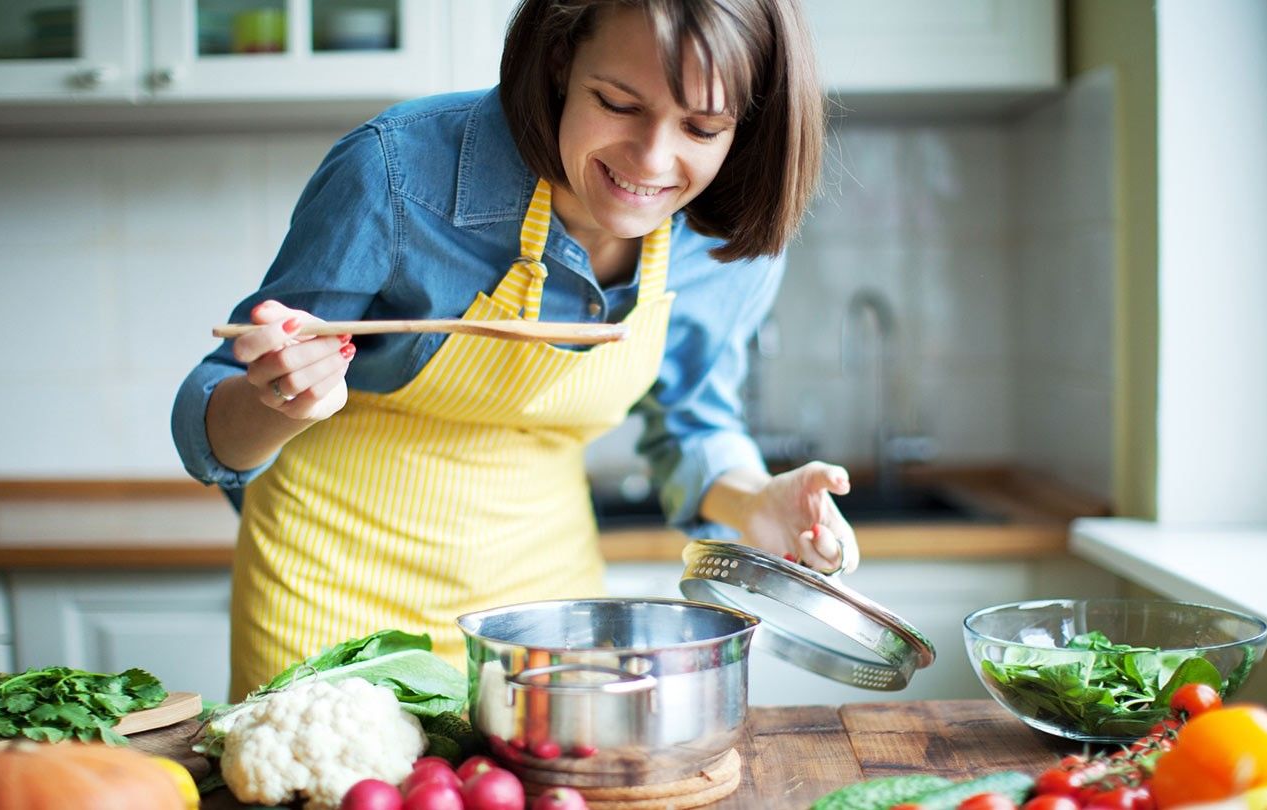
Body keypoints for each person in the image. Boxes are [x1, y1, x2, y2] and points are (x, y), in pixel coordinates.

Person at [172, 0, 859, 701]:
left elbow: (692, 425)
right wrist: (281, 399)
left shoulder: (724, 248)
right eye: (618, 104)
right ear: (561, 59)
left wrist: (756, 504)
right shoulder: (398, 171)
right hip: (325, 601)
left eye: (702, 127)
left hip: (542, 620)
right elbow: (209, 430)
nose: (652, 159)